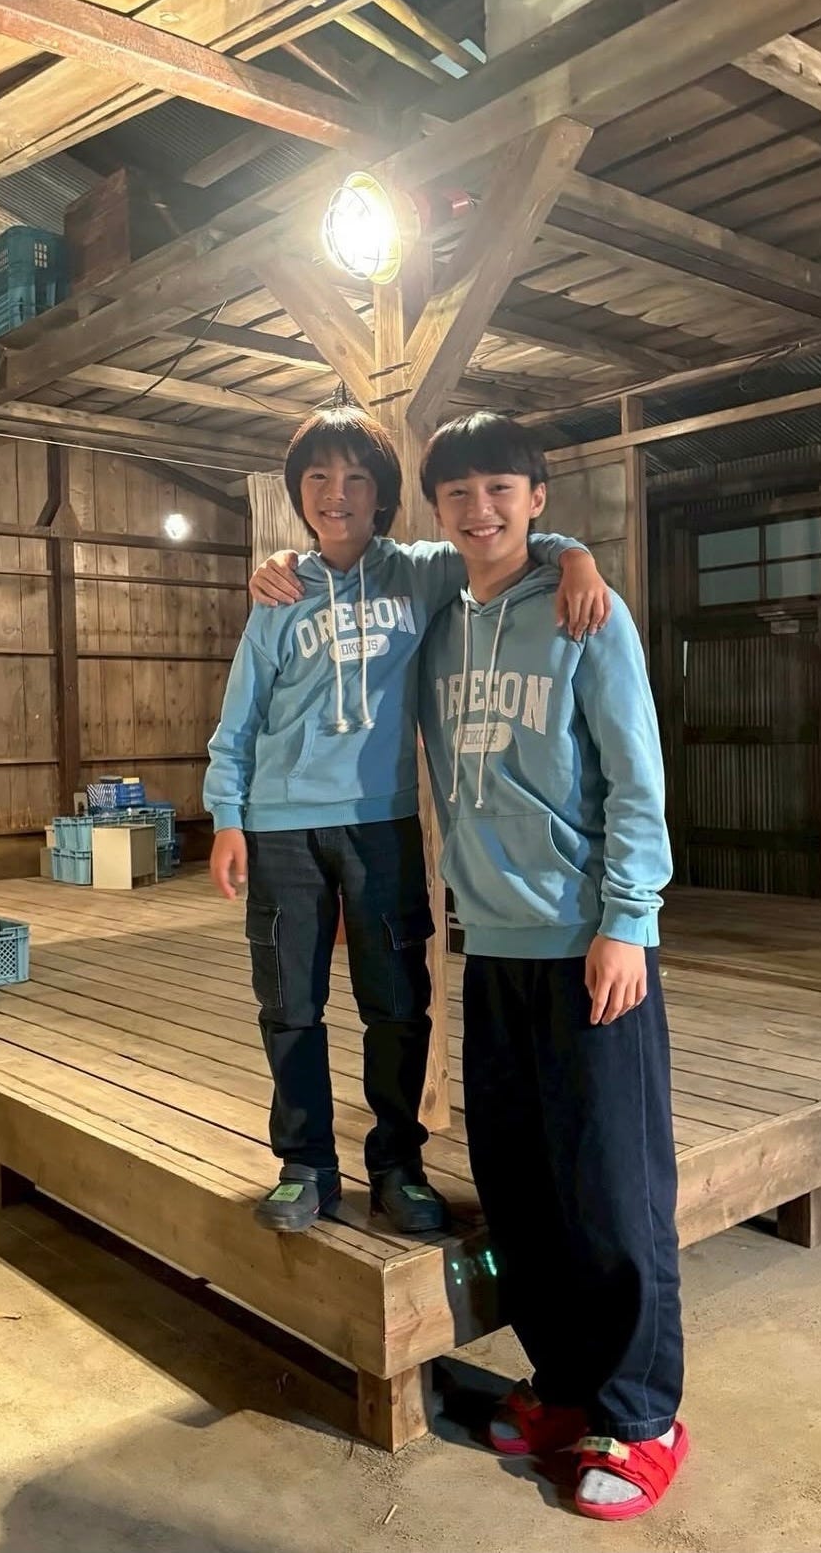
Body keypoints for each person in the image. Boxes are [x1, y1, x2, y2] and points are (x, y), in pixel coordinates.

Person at [203, 403, 609, 1237]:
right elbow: (238, 716)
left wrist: (578, 557)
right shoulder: (280, 593)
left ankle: (396, 1163)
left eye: (357, 477)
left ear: (384, 495)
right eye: (319, 476)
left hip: (382, 823)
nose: (337, 492)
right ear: (298, 493)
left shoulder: (420, 573)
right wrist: (227, 815)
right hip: (280, 828)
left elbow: (504, 540)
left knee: (397, 1002)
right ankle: (306, 1165)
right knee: (289, 1004)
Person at [416, 411, 687, 1522]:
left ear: (536, 495)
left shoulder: (588, 612)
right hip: (492, 949)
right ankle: (565, 1384)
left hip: (588, 947)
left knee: (615, 1189)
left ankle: (643, 1413)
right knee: (522, 1186)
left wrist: (628, 918)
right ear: (437, 511)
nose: (479, 510)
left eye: (500, 489)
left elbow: (635, 772)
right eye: (457, 493)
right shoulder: (441, 617)